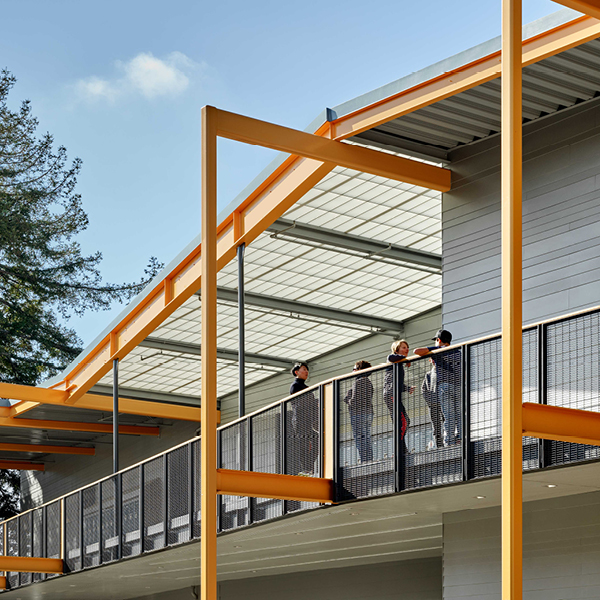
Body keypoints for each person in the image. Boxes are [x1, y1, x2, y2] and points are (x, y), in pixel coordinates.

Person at [415, 329, 461, 446]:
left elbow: (417, 351)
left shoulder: (438, 350)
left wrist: (432, 349)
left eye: (436, 340)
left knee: (449, 415)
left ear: (438, 340)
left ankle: (449, 442)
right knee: (460, 415)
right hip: (459, 386)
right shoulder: (458, 351)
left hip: (445, 387)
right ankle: (460, 438)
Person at [289, 362, 319, 474]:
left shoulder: (305, 387)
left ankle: (309, 466)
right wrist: (314, 403)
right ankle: (306, 468)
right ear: (297, 372)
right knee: (304, 444)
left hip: (308, 419)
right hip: (300, 419)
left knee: (316, 441)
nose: (306, 372)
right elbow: (299, 403)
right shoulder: (295, 386)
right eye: (304, 369)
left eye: (307, 370)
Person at [383, 340, 413, 452]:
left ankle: (401, 448)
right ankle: (399, 449)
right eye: (404, 347)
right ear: (397, 349)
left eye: (407, 347)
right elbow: (390, 357)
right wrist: (406, 359)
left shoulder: (399, 364)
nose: (407, 349)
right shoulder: (393, 359)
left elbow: (398, 383)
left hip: (393, 394)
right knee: (402, 421)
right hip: (391, 394)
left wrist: (407, 388)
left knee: (404, 421)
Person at [343, 360, 374, 463]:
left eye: (354, 369)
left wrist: (348, 399)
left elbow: (354, 400)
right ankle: (369, 458)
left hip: (358, 414)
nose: (353, 371)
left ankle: (364, 459)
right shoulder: (369, 383)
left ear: (359, 369)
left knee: (359, 438)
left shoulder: (358, 382)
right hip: (368, 412)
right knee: (366, 436)